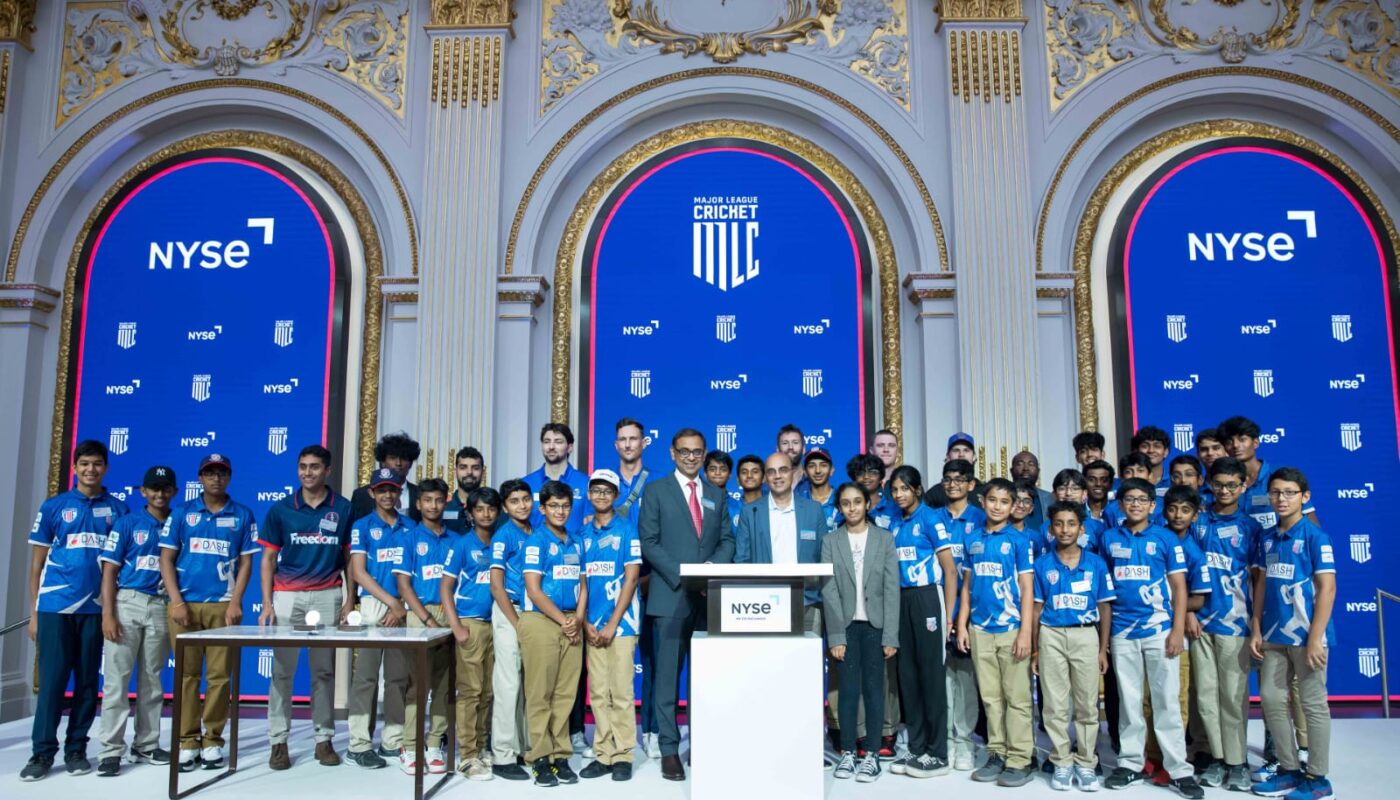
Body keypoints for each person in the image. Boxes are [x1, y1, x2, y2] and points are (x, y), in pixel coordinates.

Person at [21, 440, 129, 781]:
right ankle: (41, 754)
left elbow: (122, 564)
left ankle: (77, 749)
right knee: (52, 683)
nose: (90, 470)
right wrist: (35, 612)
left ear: (106, 467)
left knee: (86, 683)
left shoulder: (119, 509)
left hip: (96, 610)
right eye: (84, 464)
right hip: (55, 607)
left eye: (97, 464)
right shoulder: (54, 506)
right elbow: (36, 565)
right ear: (75, 467)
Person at [638, 428, 736, 782]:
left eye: (697, 452)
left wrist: (710, 572)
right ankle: (668, 749)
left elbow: (727, 540)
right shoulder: (656, 491)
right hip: (670, 594)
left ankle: (703, 742)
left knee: (706, 678)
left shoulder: (716, 494)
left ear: (705, 453)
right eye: (685, 451)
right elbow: (648, 542)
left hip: (708, 597)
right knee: (666, 678)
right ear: (672, 453)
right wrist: (685, 574)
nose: (691, 457)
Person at [1098, 479, 1202, 798]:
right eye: (1129, 499)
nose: (1135, 505)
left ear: (1151, 505)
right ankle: (1130, 763)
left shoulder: (1166, 538)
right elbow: (1104, 591)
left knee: (1166, 701)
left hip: (1160, 630)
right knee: (1129, 702)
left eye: (1141, 500)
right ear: (1120, 505)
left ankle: (1178, 768)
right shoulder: (1108, 538)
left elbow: (1180, 588)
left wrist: (1175, 630)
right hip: (1122, 632)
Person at [159, 453, 257, 773]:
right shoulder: (181, 513)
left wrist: (236, 601)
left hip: (221, 606)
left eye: (221, 473)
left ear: (229, 477)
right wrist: (176, 602)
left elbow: (246, 563)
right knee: (187, 676)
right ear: (200, 478)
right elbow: (166, 560)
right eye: (209, 473)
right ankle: (187, 741)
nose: (216, 478)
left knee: (218, 677)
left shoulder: (242, 514)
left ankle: (213, 739)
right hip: (185, 605)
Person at [258, 444, 354, 770]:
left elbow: (350, 560)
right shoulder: (281, 509)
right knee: (282, 672)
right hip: (288, 597)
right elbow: (268, 558)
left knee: (323, 672)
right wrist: (268, 603)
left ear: (327, 471)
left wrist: (350, 599)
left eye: (314, 467)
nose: (307, 473)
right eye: (303, 466)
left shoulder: (342, 508)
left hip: (328, 595)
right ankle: (278, 741)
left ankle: (323, 739)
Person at [1249, 467, 1336, 800]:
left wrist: (1316, 637)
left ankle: (1318, 777)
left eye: (1288, 493)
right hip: (1272, 636)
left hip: (1306, 638)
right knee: (1271, 701)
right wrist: (1256, 627)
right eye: (1275, 493)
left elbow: (1327, 589)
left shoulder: (1316, 536)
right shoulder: (1267, 536)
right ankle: (1288, 769)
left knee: (1313, 705)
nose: (1281, 499)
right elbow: (1260, 584)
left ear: (1305, 497)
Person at [95, 465, 177, 777]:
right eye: (153, 488)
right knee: (117, 680)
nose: (159, 494)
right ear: (142, 491)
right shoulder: (127, 522)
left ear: (174, 492)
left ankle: (146, 744)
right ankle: (111, 750)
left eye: (165, 488)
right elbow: (110, 570)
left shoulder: (177, 522)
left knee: (152, 680)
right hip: (127, 602)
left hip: (161, 605)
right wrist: (108, 613)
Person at [956, 478, 1035, 787]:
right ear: (982, 501)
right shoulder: (972, 539)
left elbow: (1027, 590)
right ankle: (997, 753)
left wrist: (1025, 632)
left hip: (1011, 628)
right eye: (992, 500)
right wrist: (962, 624)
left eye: (1005, 502)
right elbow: (966, 587)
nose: (998, 506)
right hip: (980, 629)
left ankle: (1020, 759)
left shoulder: (1018, 541)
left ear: (1013, 506)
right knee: (991, 698)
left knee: (1016, 698)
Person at [1032, 501, 1114, 792]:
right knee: (1054, 705)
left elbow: (1105, 608)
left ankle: (1087, 762)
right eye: (1058, 524)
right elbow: (1036, 610)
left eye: (1071, 524)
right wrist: (1035, 649)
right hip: (1051, 635)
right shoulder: (1042, 564)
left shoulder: (1096, 563)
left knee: (1087, 704)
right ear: (1050, 529)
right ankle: (1062, 761)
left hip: (1085, 635)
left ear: (1082, 529)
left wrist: (1103, 648)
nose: (1064, 529)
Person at [1190, 457, 1260, 791]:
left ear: (1243, 486)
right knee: (1205, 696)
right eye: (1219, 484)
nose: (1225, 490)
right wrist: (1189, 612)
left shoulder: (1251, 527)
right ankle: (1216, 759)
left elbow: (1258, 581)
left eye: (1232, 485)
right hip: (1201, 623)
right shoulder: (1198, 521)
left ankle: (1238, 762)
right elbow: (1184, 572)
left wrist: (1256, 625)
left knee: (1233, 697)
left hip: (1236, 624)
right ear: (1209, 484)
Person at [823, 482, 900, 784]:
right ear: (839, 507)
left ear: (868, 504)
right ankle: (847, 752)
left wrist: (891, 635)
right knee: (848, 690)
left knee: (874, 688)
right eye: (845, 503)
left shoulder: (883, 539)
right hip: (846, 626)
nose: (852, 508)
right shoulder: (831, 541)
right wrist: (836, 636)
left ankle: (871, 755)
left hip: (875, 626)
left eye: (857, 502)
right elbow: (828, 590)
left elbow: (892, 589)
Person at [887, 465, 955, 779]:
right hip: (902, 600)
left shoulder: (931, 518)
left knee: (931, 675)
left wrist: (950, 618)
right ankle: (916, 749)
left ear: (917, 489)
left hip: (929, 597)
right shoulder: (896, 525)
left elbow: (950, 572)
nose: (899, 494)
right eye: (895, 489)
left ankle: (938, 753)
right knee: (908, 675)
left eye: (904, 488)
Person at [577, 470, 643, 781]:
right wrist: (587, 623)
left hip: (623, 625)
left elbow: (631, 579)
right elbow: (583, 583)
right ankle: (603, 752)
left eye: (608, 491)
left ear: (616, 496)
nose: (602, 496)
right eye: (596, 491)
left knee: (622, 691)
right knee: (599, 693)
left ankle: (624, 755)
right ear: (589, 495)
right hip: (592, 626)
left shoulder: (627, 529)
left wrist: (612, 624)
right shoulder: (582, 535)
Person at [519, 481, 586, 787]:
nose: (560, 511)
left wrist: (578, 618)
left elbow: (583, 586)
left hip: (573, 622)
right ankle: (540, 758)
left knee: (565, 694)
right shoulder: (536, 542)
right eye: (554, 506)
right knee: (539, 693)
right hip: (542, 621)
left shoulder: (576, 542)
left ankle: (561, 755)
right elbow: (533, 589)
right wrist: (563, 620)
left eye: (565, 506)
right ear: (542, 509)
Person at [345, 467, 413, 769]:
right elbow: (359, 571)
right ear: (372, 493)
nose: (388, 494)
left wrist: (400, 606)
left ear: (400, 492)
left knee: (398, 678)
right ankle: (358, 744)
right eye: (382, 489)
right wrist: (391, 603)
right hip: (374, 606)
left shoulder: (411, 526)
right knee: (366, 678)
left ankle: (393, 740)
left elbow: (410, 571)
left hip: (404, 608)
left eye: (393, 489)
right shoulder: (362, 525)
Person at [395, 478, 462, 775]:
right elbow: (403, 585)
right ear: (418, 504)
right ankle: (410, 746)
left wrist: (450, 619)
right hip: (419, 616)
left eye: (438, 500)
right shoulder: (407, 538)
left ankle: (435, 742)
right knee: (417, 685)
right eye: (427, 501)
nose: (433, 506)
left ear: (445, 501)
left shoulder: (456, 539)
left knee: (446, 685)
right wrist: (426, 618)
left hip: (451, 613)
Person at [1147, 485, 1211, 784]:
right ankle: (1152, 756)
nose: (1177, 515)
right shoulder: (1154, 538)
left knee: (1174, 697)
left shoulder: (1194, 551)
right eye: (1172, 509)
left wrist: (1181, 611)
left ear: (1195, 515)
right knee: (1147, 698)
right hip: (1144, 628)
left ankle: (1175, 759)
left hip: (1174, 631)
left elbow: (1199, 597)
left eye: (1185, 510)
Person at [440, 486, 502, 780]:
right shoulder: (463, 545)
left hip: (497, 625)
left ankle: (481, 747)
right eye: (480, 509)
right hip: (471, 624)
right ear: (470, 514)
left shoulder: (501, 543)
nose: (486, 514)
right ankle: (467, 755)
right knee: (470, 692)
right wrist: (457, 627)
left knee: (488, 692)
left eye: (491, 509)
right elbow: (445, 588)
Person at [929, 458, 985, 771]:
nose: (953, 484)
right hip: (935, 607)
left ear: (971, 484)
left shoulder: (980, 518)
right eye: (947, 479)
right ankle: (946, 741)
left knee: (964, 681)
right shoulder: (932, 517)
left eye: (959, 479)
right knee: (940, 679)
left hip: (969, 610)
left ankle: (965, 742)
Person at [488, 478, 536, 779]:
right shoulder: (504, 535)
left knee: (529, 686)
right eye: (514, 501)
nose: (522, 505)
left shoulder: (538, 530)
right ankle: (503, 755)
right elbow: (496, 585)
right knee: (507, 685)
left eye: (525, 499)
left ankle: (525, 748)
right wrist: (517, 623)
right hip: (511, 612)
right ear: (505, 507)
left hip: (534, 612)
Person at [1218, 416, 1320, 529]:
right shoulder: (1222, 483)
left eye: (1242, 439)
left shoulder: (1281, 476)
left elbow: (1311, 524)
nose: (1235, 445)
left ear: (1255, 442)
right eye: (1229, 442)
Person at [524, 422, 590, 533]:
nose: (551, 447)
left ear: (569, 447)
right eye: (546, 442)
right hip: (535, 548)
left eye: (558, 442)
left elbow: (591, 526)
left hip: (572, 549)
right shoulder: (526, 484)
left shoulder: (586, 483)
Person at [351, 432, 422, 523]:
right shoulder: (361, 495)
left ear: (411, 463)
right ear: (383, 462)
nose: (398, 463)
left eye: (403, 458)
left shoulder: (420, 494)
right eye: (392, 458)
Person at [924, 433, 984, 509]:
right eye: (956, 450)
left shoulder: (984, 491)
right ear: (947, 457)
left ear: (974, 457)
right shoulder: (935, 493)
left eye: (966, 450)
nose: (961, 454)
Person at [613, 418, 651, 519]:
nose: (627, 445)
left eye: (633, 439)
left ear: (644, 443)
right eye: (622, 439)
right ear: (616, 445)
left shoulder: (661, 481)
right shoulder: (605, 482)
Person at [445, 446, 488, 533]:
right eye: (463, 467)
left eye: (475, 468)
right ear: (455, 471)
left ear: (482, 473)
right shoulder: (443, 507)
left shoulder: (493, 508)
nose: (469, 472)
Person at [1010, 451, 1054, 531]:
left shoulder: (1050, 498)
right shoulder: (1004, 496)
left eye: (1031, 464)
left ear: (1038, 471)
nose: (1026, 469)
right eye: (1020, 464)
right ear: (1011, 471)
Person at [799, 447, 840, 530]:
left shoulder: (842, 499)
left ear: (832, 470)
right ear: (805, 472)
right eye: (812, 466)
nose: (818, 471)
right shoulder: (798, 500)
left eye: (823, 465)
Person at [1131, 425, 1172, 490]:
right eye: (1145, 446)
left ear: (1166, 452)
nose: (1151, 450)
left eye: (1157, 446)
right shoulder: (1127, 480)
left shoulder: (1174, 481)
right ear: (1135, 451)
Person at [1083, 459, 1115, 526]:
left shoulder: (1119, 512)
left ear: (1111, 484)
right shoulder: (1076, 513)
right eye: (1092, 480)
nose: (1098, 484)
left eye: (1104, 480)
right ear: (1084, 483)